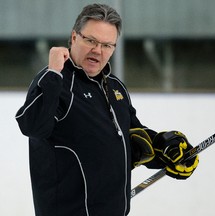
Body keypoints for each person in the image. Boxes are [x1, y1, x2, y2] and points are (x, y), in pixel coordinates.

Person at [15, 3, 199, 216]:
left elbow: (130, 138)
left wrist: (166, 150)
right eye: (91, 40)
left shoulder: (114, 87)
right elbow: (33, 126)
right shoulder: (57, 82)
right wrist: (54, 73)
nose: (97, 50)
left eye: (107, 45)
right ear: (74, 37)